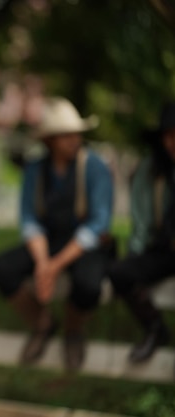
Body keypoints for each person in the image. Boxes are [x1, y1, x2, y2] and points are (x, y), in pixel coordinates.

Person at [0, 96, 114, 372]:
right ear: (50, 140)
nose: (72, 141)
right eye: (64, 136)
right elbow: (30, 218)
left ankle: (74, 330)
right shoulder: (36, 169)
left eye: (75, 135)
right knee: (0, 269)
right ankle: (42, 323)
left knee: (89, 284)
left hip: (87, 245)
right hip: (50, 240)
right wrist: (43, 262)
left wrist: (54, 267)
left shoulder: (94, 167)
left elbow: (98, 224)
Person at [106, 102, 175, 363]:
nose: (172, 143)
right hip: (162, 248)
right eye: (168, 136)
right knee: (120, 271)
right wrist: (136, 256)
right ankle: (155, 329)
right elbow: (141, 221)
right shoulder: (151, 170)